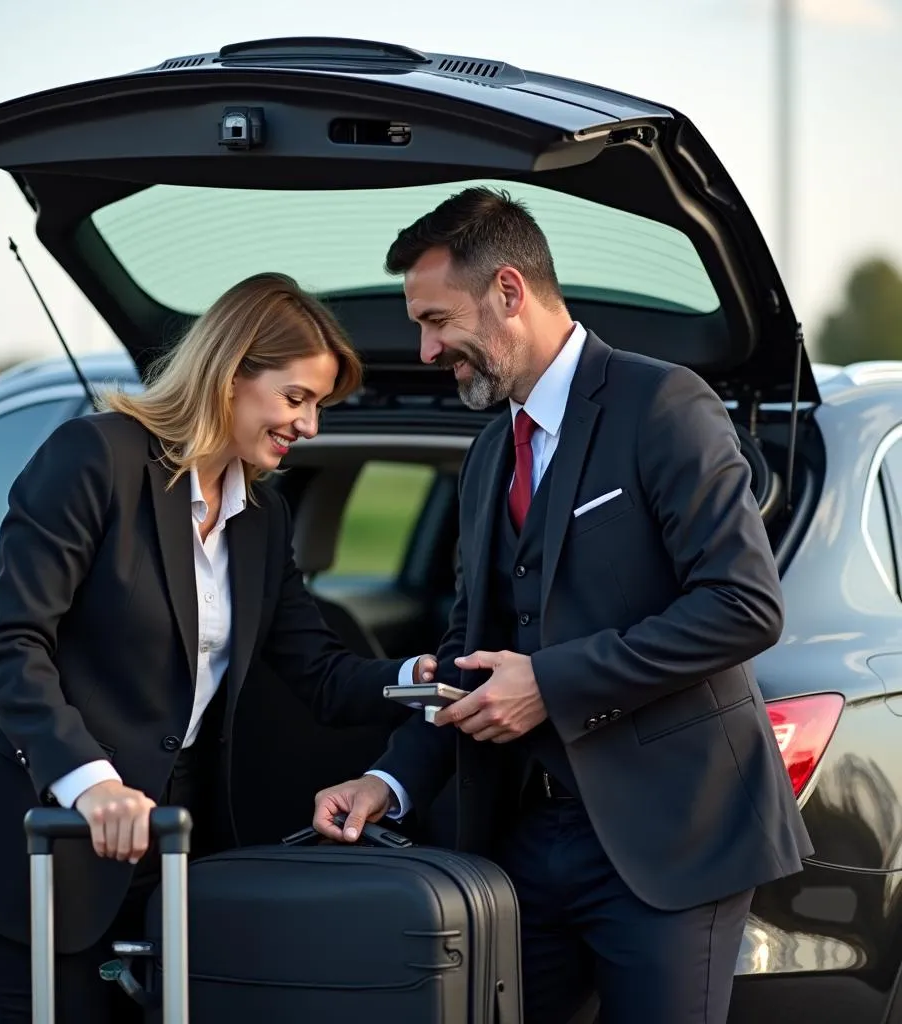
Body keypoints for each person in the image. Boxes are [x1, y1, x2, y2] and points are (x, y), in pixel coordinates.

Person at [311, 188, 813, 1024]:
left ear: (509, 290)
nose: (427, 349)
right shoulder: (482, 458)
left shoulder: (664, 405)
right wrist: (389, 780)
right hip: (523, 847)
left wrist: (550, 680)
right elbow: (466, 649)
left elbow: (743, 605)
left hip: (671, 843)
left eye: (438, 320)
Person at [0, 272, 437, 1023]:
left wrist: (418, 676)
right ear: (230, 374)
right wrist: (92, 784)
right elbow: (13, 647)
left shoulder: (262, 518)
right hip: (29, 857)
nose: (311, 426)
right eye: (297, 398)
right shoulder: (93, 459)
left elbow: (316, 670)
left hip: (171, 860)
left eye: (318, 406)